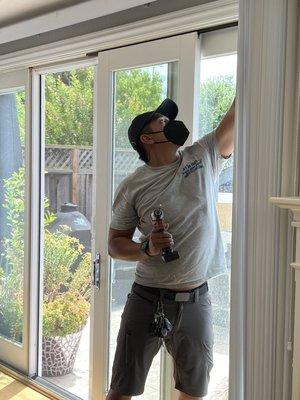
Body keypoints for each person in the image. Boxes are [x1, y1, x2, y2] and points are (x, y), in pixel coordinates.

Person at [106, 97, 235, 400]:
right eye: (160, 121)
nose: (170, 123)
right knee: (122, 389)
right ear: (147, 139)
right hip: (147, 297)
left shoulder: (203, 155)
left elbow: (234, 120)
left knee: (193, 390)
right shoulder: (132, 186)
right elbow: (114, 244)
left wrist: (251, 68)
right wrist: (146, 249)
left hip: (196, 299)